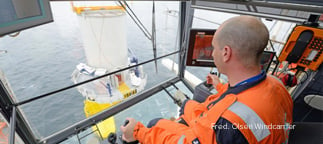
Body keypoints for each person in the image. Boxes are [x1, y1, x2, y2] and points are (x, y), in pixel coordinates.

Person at [120, 15, 293, 144]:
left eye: (214, 48)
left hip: (214, 134)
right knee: (187, 105)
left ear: (226, 53)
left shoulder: (229, 124)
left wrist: (137, 132)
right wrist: (221, 87)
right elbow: (245, 99)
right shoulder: (276, 84)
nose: (212, 53)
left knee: (153, 124)